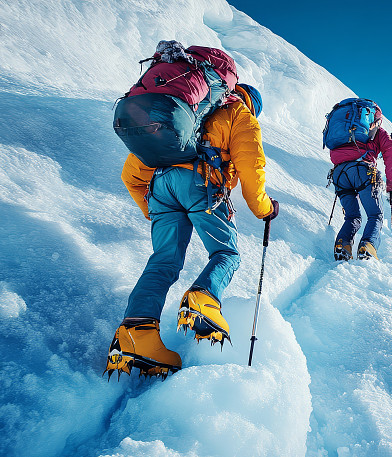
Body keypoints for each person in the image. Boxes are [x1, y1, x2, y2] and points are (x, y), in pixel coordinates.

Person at [105, 83, 277, 379]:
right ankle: (203, 298)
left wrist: (155, 212)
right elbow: (251, 168)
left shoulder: (185, 112)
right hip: (201, 181)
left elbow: (131, 175)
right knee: (226, 253)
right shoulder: (239, 113)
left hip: (159, 187)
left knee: (164, 260)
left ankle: (137, 332)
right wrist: (264, 209)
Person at [328, 101, 392, 260]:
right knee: (375, 215)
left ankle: (342, 244)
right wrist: (391, 183)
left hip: (339, 173)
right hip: (363, 171)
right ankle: (368, 246)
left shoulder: (344, 128)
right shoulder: (378, 131)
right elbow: (390, 154)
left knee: (352, 216)